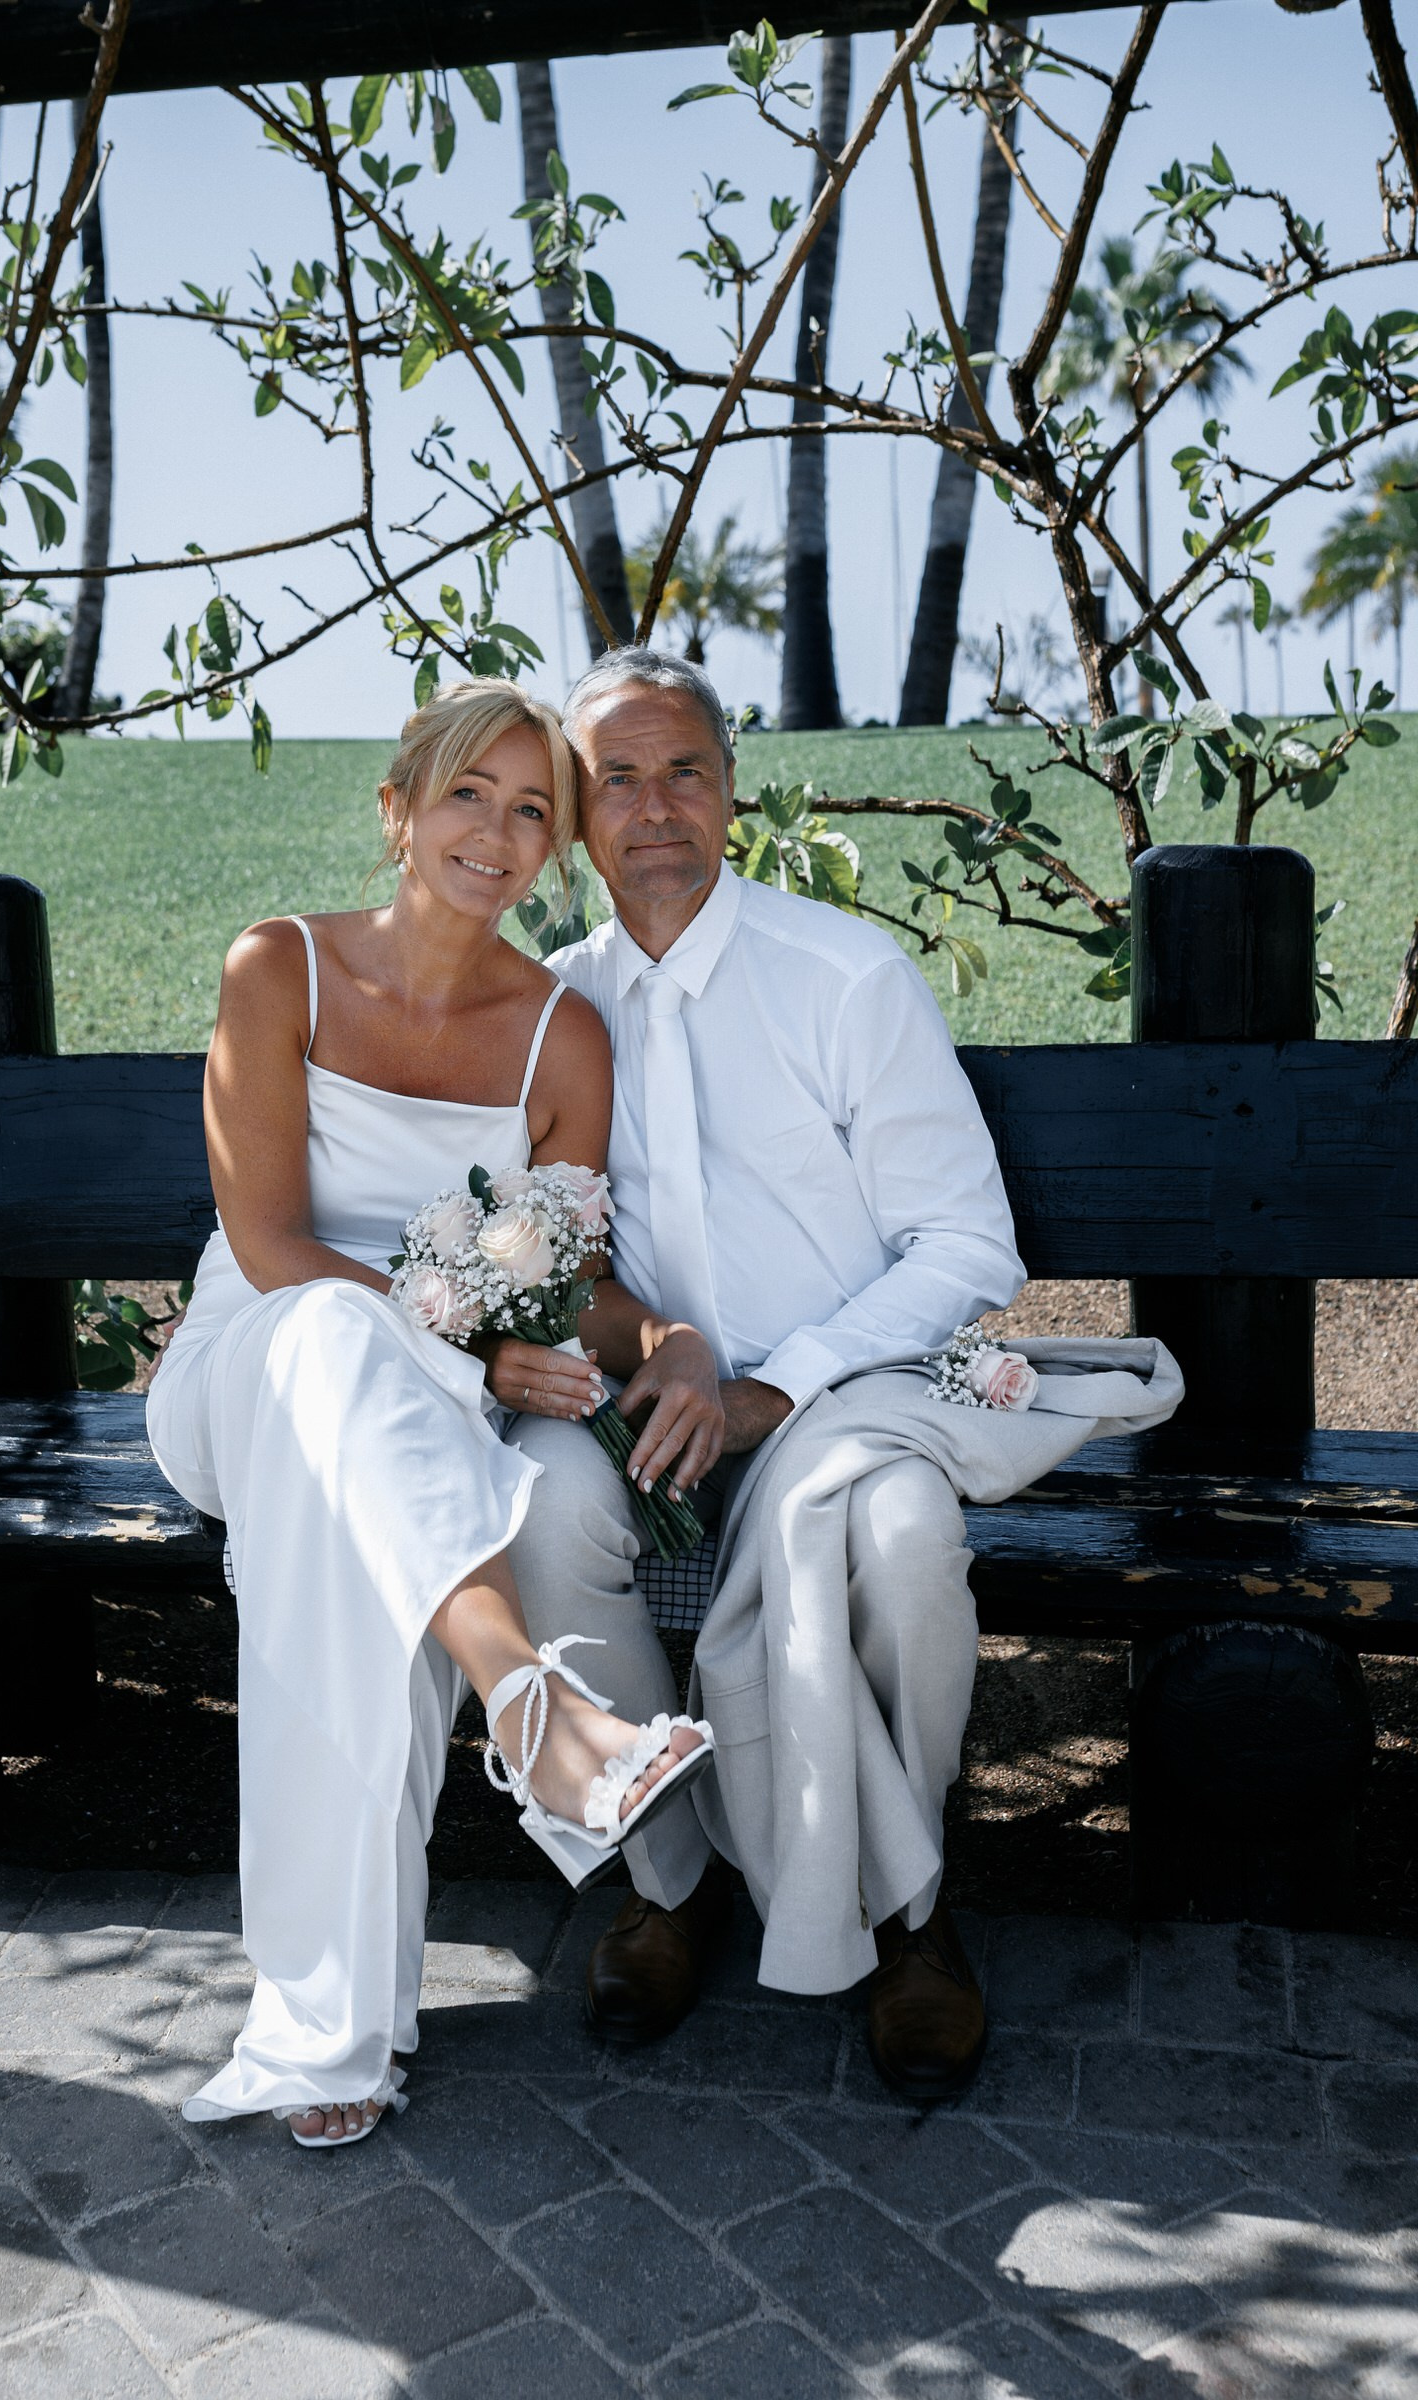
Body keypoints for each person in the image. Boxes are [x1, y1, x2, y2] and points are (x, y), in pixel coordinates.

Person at [147, 678, 713, 2148]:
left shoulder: (558, 1040)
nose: (501, 832)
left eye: (534, 808)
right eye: (470, 793)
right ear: (400, 811)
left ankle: (335, 2034)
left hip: (401, 1434)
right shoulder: (281, 969)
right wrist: (462, 1365)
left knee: (357, 1557)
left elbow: (571, 1277)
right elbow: (271, 1247)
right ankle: (533, 1705)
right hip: (242, 1375)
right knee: (335, 1339)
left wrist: (665, 1336)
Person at [506, 646, 1027, 2099]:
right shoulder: (553, 1011)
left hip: (851, 1391)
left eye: (687, 770)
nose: (655, 804)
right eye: (619, 775)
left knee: (907, 1540)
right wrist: (623, 1354)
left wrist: (778, 1382)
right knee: (538, 1508)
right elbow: (545, 1252)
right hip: (646, 1407)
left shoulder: (844, 976)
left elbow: (966, 1243)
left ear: (733, 794)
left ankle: (910, 1911)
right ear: (574, 807)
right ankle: (671, 1876)